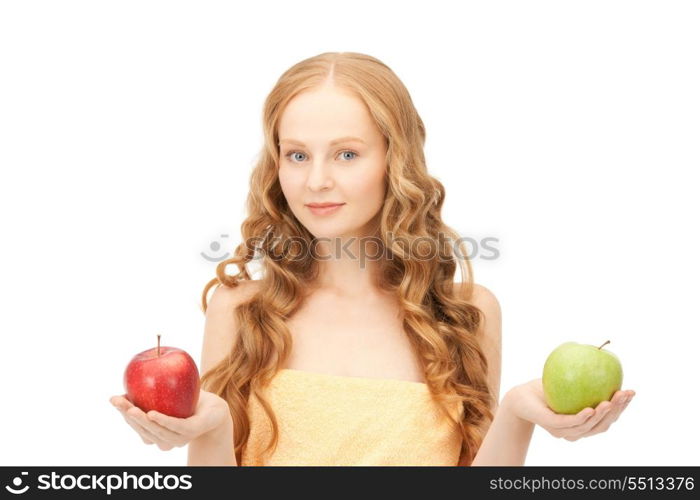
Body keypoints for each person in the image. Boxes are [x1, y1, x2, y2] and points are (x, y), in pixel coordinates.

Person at [109, 51, 635, 466]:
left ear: (394, 159)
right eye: (297, 154)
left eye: (346, 153)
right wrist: (214, 424)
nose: (316, 180)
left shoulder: (465, 314)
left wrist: (519, 413)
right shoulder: (241, 308)